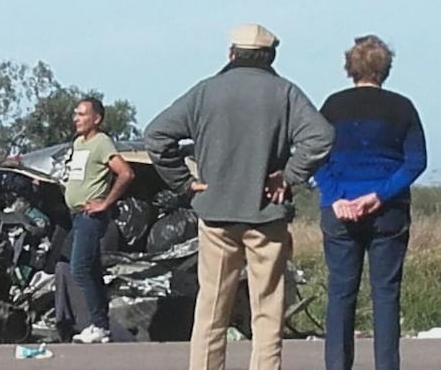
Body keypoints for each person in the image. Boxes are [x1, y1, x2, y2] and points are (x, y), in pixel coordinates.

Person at [144, 24, 334, 370]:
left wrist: (184, 183)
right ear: (270, 56)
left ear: (231, 54)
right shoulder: (285, 92)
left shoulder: (206, 92)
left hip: (216, 215)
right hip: (266, 216)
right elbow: (321, 137)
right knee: (267, 310)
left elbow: (156, 136)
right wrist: (288, 176)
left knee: (212, 309)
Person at [314, 35, 426, 370]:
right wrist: (380, 194)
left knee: (340, 294)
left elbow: (316, 156)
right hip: (387, 211)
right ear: (385, 69)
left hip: (339, 210)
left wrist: (335, 197)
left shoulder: (332, 106)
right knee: (386, 293)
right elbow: (415, 161)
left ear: (350, 68)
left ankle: (337, 365)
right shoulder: (402, 107)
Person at [64, 97, 135, 344]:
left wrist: (105, 203)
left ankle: (99, 325)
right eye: (76, 114)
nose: (77, 118)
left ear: (97, 118)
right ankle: (101, 324)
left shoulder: (102, 143)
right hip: (76, 215)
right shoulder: (78, 143)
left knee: (80, 269)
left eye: (82, 114)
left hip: (90, 216)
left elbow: (126, 173)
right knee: (92, 270)